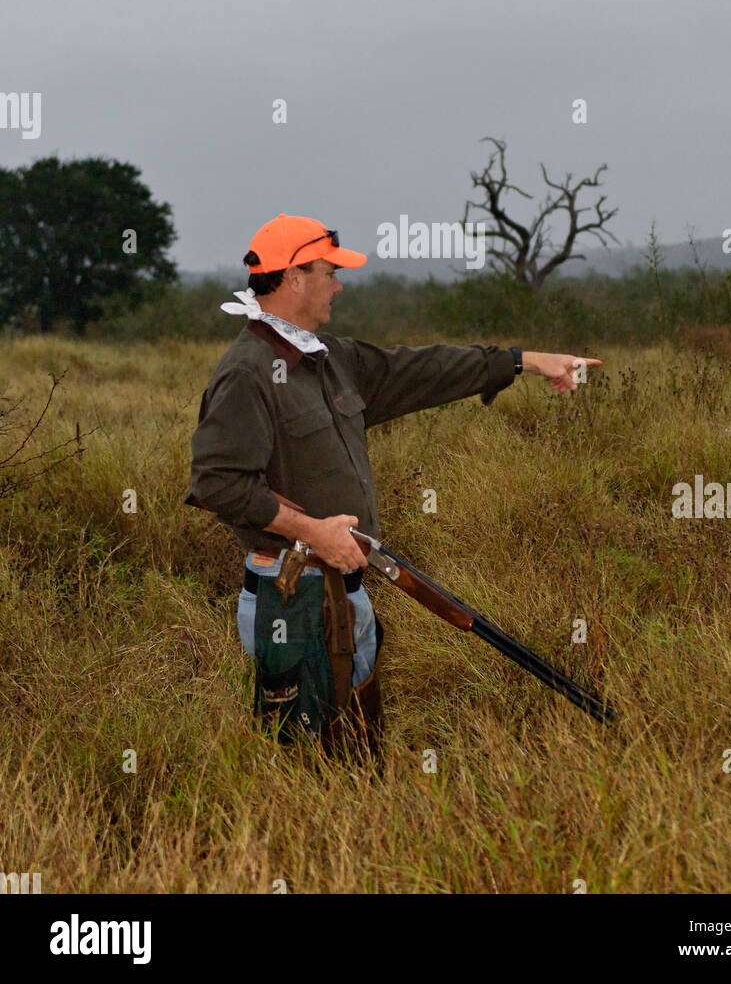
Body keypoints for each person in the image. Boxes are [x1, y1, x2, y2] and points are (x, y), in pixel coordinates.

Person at [188, 213, 601, 761]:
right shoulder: (247, 372)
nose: (339, 284)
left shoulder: (329, 358)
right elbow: (216, 483)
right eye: (329, 272)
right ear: (293, 277)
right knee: (304, 756)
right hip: (292, 596)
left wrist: (522, 362)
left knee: (357, 743)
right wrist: (313, 531)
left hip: (343, 587)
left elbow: (421, 369)